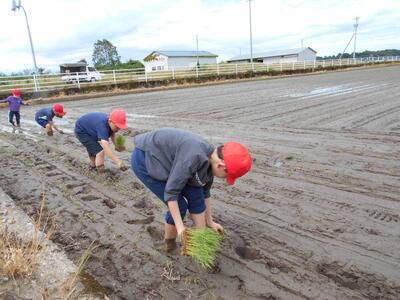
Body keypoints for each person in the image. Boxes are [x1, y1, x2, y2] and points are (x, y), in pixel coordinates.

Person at [131, 128, 252, 252]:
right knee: (180, 205)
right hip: (146, 158)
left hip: (175, 161)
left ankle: (201, 239)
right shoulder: (193, 156)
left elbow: (205, 194)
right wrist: (180, 229)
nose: (225, 179)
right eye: (227, 175)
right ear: (221, 166)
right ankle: (170, 244)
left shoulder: (210, 163)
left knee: (196, 196)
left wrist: (210, 222)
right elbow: (171, 193)